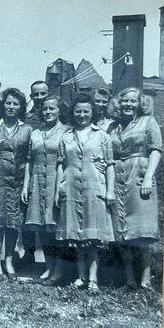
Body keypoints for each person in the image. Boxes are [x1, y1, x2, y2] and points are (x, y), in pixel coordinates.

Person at [54, 94, 115, 291]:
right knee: (76, 238)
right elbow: (60, 166)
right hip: (71, 188)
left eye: (85, 111)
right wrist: (58, 190)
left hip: (94, 188)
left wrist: (110, 190)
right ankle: (80, 277)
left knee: (93, 238)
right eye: (78, 111)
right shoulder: (66, 137)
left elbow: (110, 165)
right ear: (73, 113)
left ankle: (93, 279)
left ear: (92, 113)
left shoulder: (102, 136)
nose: (81, 115)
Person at [109, 87, 162, 289]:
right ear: (118, 104)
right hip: (118, 177)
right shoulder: (113, 127)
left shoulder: (148, 122)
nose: (129, 105)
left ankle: (146, 279)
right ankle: (130, 278)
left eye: (133, 101)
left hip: (139, 176)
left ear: (139, 104)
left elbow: (156, 150)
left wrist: (148, 177)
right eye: (125, 101)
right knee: (121, 230)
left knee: (141, 231)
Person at [0, 88, 32, 279]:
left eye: (15, 104)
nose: (11, 107)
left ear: (21, 107)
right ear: (3, 106)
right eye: (8, 103)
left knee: (12, 223)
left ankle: (8, 260)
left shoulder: (27, 130)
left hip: (16, 182)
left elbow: (28, 159)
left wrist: (25, 185)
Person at [21, 95, 69, 284]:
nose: (48, 112)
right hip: (37, 181)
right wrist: (26, 185)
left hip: (56, 182)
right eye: (45, 109)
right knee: (41, 227)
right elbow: (28, 162)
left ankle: (59, 270)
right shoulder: (35, 133)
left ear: (59, 111)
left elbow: (66, 162)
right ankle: (48, 268)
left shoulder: (66, 132)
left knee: (55, 226)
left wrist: (61, 187)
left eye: (52, 109)